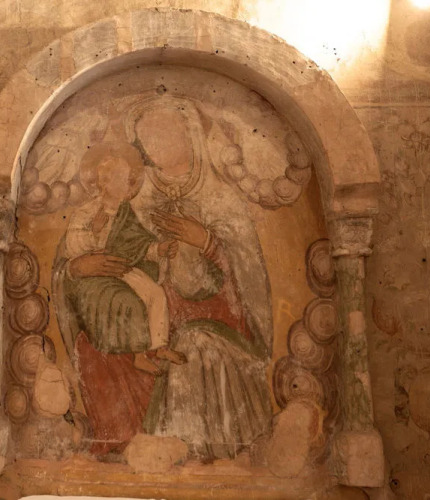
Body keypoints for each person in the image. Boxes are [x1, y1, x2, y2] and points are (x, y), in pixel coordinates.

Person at [53, 95, 273, 459]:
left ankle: (200, 454)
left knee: (194, 348)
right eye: (147, 139)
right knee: (94, 345)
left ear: (189, 132)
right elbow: (76, 256)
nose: (157, 145)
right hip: (139, 307)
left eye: (164, 132)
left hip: (214, 318)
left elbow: (248, 276)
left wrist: (206, 241)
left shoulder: (223, 200)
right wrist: (79, 267)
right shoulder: (130, 197)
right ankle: (124, 449)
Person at [63, 141, 187, 375]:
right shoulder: (87, 212)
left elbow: (137, 243)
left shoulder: (125, 211)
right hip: (98, 274)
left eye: (129, 178)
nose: (128, 183)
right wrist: (94, 232)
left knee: (156, 293)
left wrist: (158, 249)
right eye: (122, 178)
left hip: (123, 268)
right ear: (105, 183)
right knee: (133, 301)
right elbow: (72, 247)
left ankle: (160, 347)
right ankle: (139, 356)